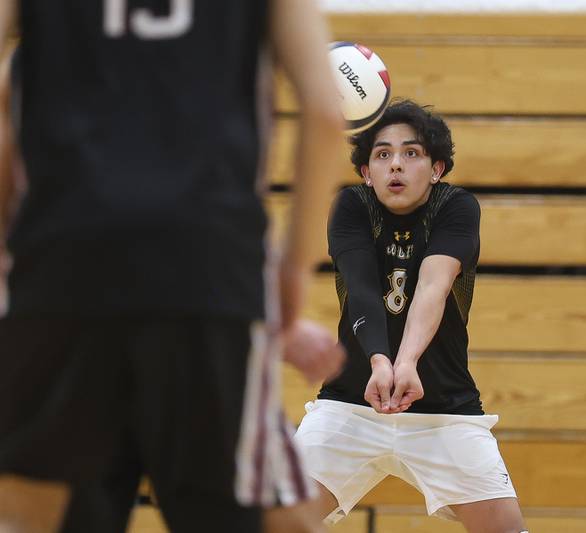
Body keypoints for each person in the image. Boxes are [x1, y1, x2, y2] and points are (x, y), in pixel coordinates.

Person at [0, 0, 345, 531]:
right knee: (276, 514)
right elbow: (324, 110)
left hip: (61, 263)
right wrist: (295, 266)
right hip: (206, 262)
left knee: (37, 515)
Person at [293, 100, 529, 533]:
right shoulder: (351, 206)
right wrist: (380, 363)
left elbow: (432, 287)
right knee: (275, 519)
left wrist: (406, 364)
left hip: (443, 408)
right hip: (351, 403)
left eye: (411, 153)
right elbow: (362, 291)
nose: (395, 165)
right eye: (382, 155)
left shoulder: (456, 206)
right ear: (366, 172)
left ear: (437, 168)